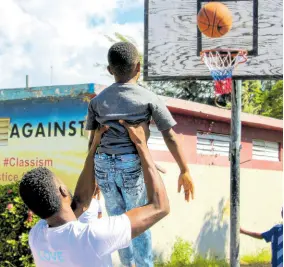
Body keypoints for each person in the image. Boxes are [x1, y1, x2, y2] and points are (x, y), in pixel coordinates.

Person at [85, 42, 195, 267]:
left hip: (103, 166)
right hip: (130, 166)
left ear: (109, 70)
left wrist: (93, 175)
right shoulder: (148, 97)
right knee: (140, 219)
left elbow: (92, 141)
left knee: (117, 222)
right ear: (138, 67)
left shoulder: (97, 101)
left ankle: (127, 265)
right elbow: (170, 136)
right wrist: (185, 169)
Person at [19, 122, 170, 267]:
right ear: (63, 190)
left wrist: (94, 148)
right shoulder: (92, 236)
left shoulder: (37, 236)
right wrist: (141, 145)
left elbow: (81, 203)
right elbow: (160, 207)